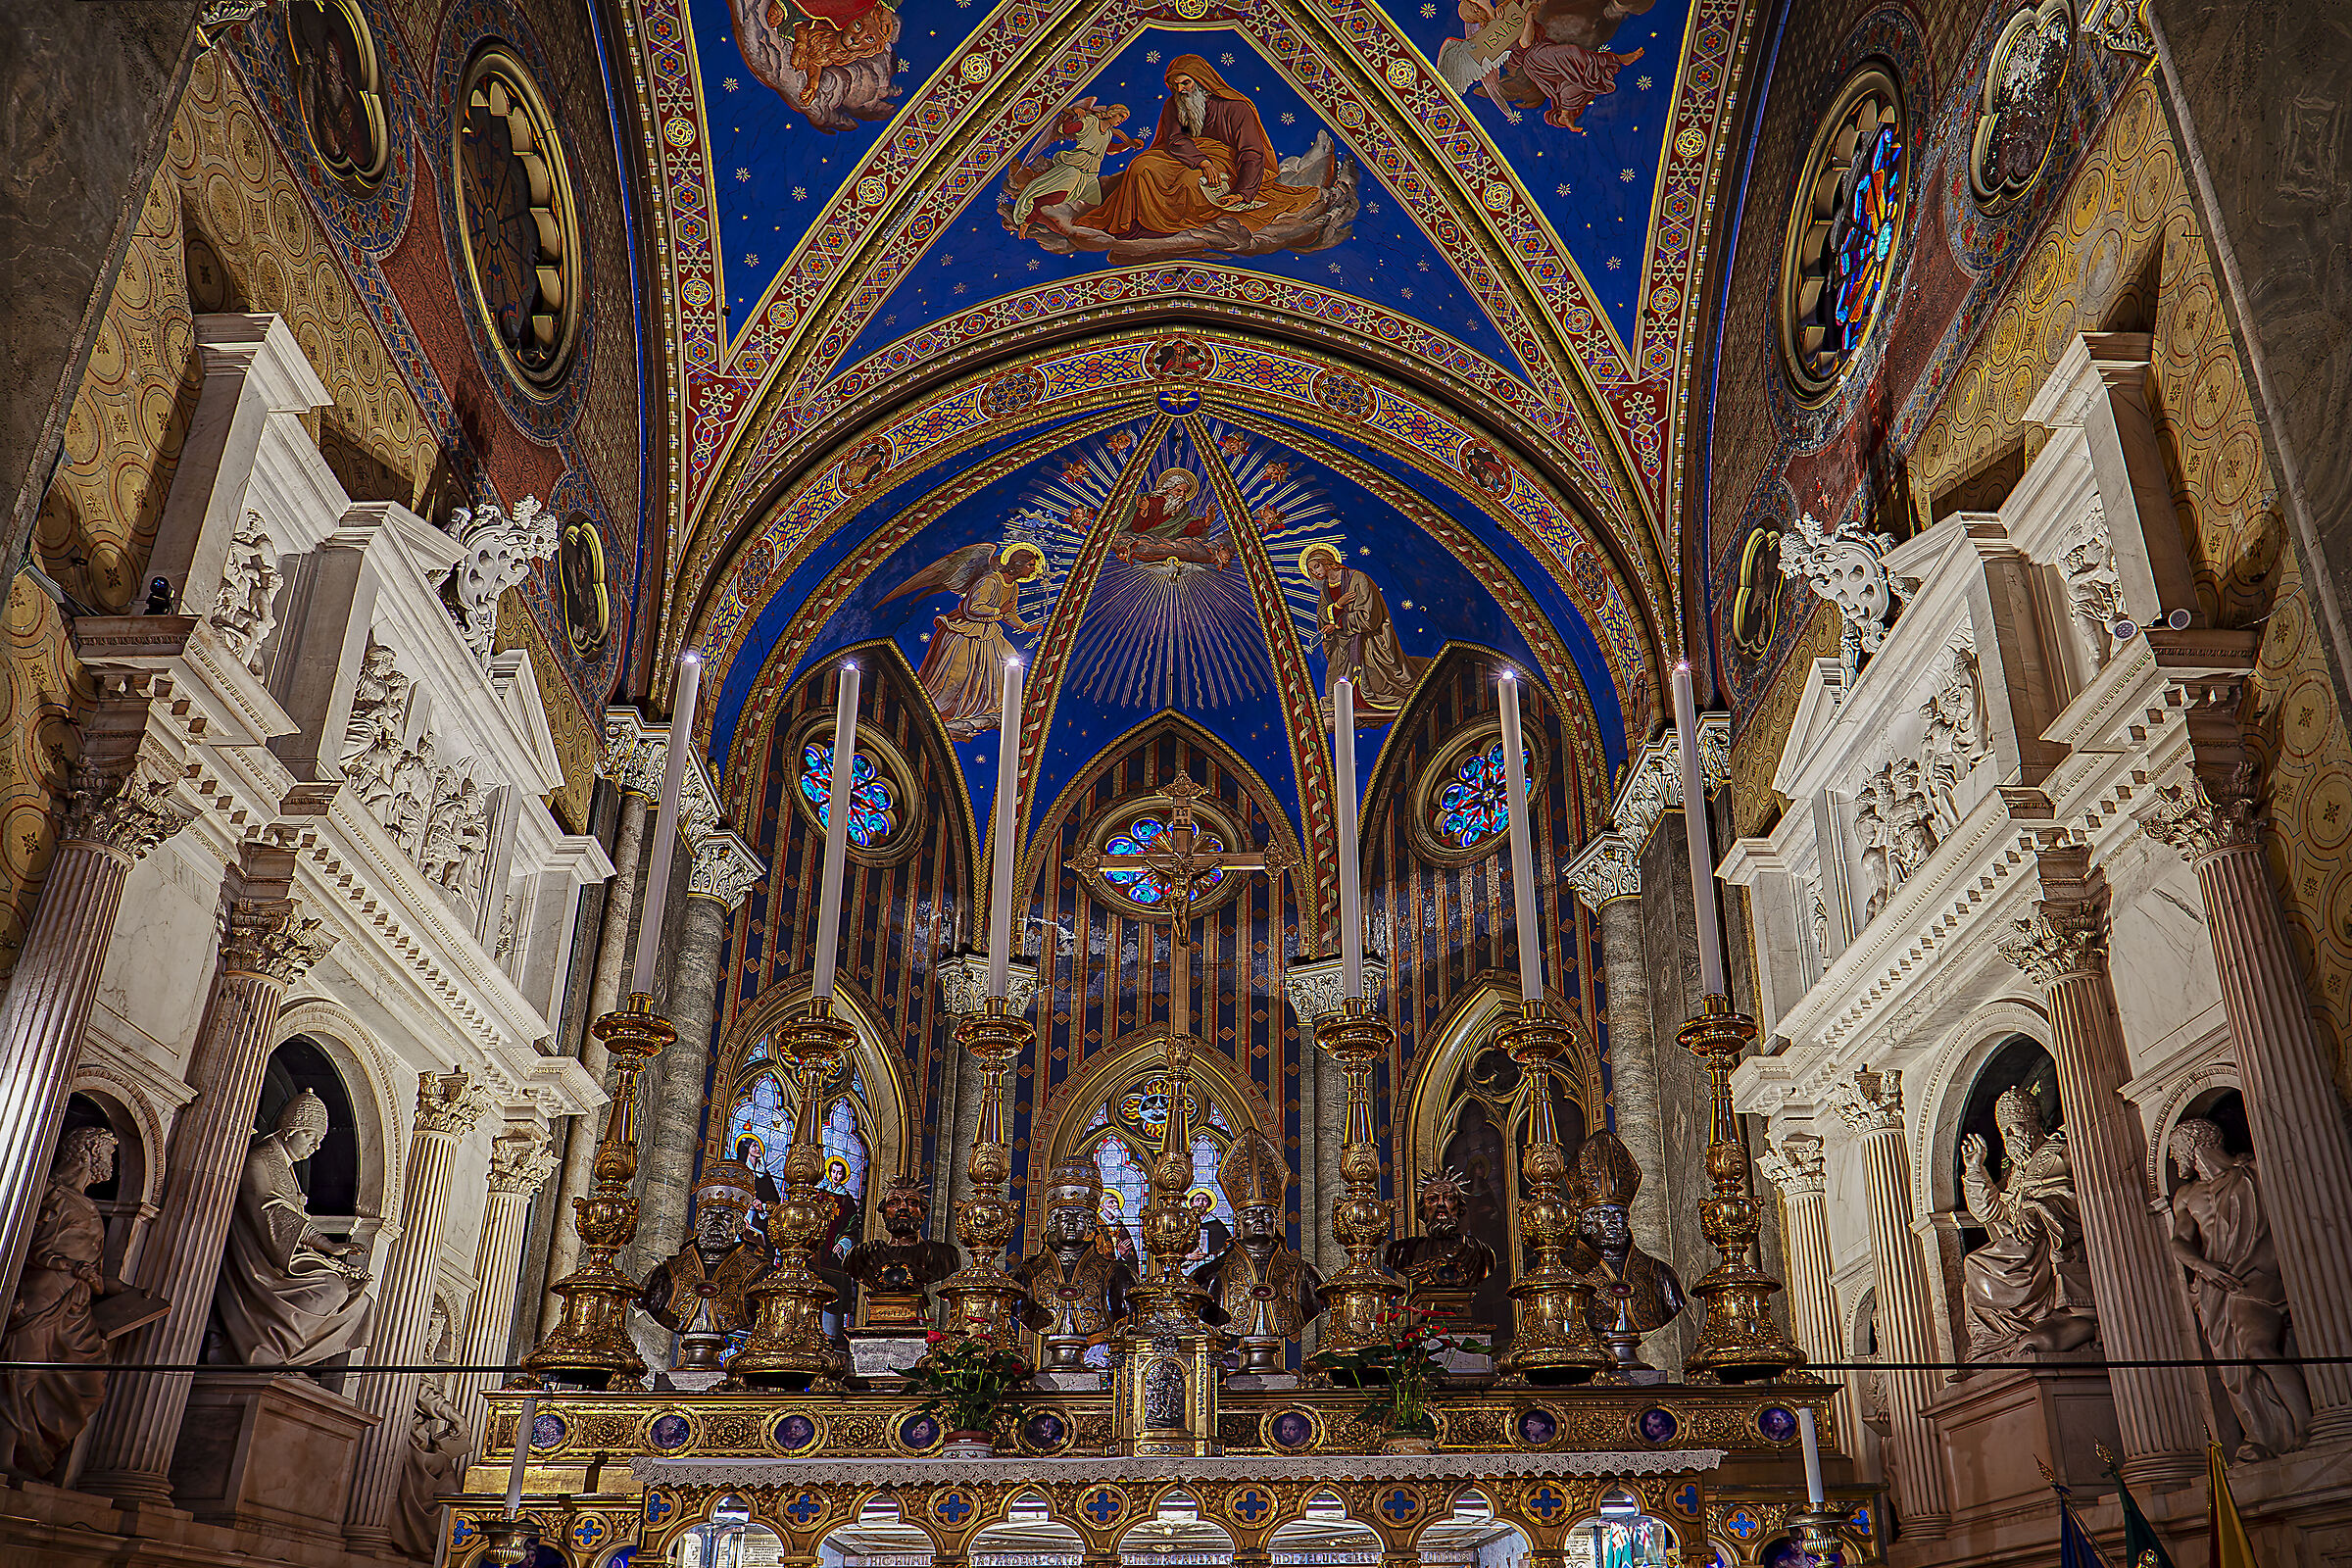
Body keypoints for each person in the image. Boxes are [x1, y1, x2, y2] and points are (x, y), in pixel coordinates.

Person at [2163, 1118, 2310, 1457]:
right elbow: (2179, 1241)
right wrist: (2202, 1266)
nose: (2173, 1157)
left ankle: (2306, 1425)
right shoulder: (2186, 1195)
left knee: (2257, 1348)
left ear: (2194, 1142)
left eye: (2176, 1148)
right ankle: (2262, 1436)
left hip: (2256, 1274)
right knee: (2235, 1369)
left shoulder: (2253, 1171)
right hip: (2214, 1286)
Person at [1083, 57, 1324, 240]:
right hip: (1185, 154)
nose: (1180, 89)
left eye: (1185, 83)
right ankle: (1140, 223)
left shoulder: (1236, 107)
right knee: (1140, 166)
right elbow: (1174, 139)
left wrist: (1243, 193)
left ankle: (1179, 227)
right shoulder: (1174, 105)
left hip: (1226, 160)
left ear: (1201, 81)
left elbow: (1251, 152)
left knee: (1191, 181)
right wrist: (1202, 161)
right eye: (1175, 85)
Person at [216, 1090, 374, 1365]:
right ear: (289, 1130)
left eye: (320, 1139)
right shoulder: (259, 1159)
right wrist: (327, 1246)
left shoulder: (285, 1168)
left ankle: (285, 1359)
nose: (316, 1146)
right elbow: (271, 1214)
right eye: (310, 1135)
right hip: (259, 1264)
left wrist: (337, 1265)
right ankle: (267, 1351)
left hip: (283, 1258)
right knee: (332, 1291)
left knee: (360, 1300)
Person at [0, 1129, 122, 1480]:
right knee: (20, 1375)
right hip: (43, 1295)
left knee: (90, 1384)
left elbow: (91, 1263)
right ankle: (5, 1458)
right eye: (107, 1153)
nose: (110, 1162)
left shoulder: (84, 1203)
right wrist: (70, 1266)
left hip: (75, 1305)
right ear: (90, 1151)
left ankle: (30, 1453)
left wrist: (114, 1286)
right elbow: (27, 1245)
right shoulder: (51, 1193)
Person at [1959, 1085, 2097, 1361]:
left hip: (2050, 1239)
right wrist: (1975, 1170)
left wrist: (2035, 1210)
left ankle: (2002, 1337)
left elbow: (2079, 1197)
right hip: (2025, 1242)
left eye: (2016, 1128)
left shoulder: (2059, 1153)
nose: (2010, 1138)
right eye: (2005, 1133)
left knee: (1977, 1264)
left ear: (2034, 1125)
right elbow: (1990, 1212)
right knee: (1970, 1283)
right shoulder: (2016, 1171)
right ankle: (1992, 1342)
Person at [880, 541, 1047, 738]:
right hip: (965, 633)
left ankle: (988, 710)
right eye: (1031, 565)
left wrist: (1025, 627)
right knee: (956, 677)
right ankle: (937, 714)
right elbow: (972, 608)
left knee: (1009, 663)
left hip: (988, 633)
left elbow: (1008, 613)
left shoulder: (1013, 588)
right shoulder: (990, 581)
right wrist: (997, 612)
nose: (1034, 569)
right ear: (1017, 564)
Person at [1190, 1132, 1319, 1374]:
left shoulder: (1305, 1274)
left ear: (1276, 1220)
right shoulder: (1208, 1276)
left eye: (1266, 1213)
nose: (1259, 1219)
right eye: (1251, 1213)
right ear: (1238, 1222)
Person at [639, 1160, 772, 1371]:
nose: (715, 1222)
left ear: (739, 1225)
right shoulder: (664, 1274)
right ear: (700, 1221)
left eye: (726, 1217)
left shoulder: (761, 1275)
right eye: (710, 1215)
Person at [1565, 1132, 1684, 1352]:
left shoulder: (1660, 1274)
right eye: (1603, 1214)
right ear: (1587, 1222)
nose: (1613, 1221)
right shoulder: (1570, 1276)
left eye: (1619, 1214)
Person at [1013, 1160, 1135, 1372]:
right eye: (1065, 1216)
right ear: (1053, 1223)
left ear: (1091, 1224)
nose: (1071, 1223)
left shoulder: (1118, 1274)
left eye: (1079, 1217)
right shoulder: (1026, 1274)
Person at [1302, 542, 1423, 713]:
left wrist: (1338, 624)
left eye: (1316, 566)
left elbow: (1369, 617)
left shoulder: (1358, 579)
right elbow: (1323, 615)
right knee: (1335, 677)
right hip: (1342, 641)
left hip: (1368, 639)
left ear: (1327, 561)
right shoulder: (1326, 590)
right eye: (1311, 570)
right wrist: (1337, 606)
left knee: (1375, 676)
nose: (1315, 572)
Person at [842, 1174, 960, 1323]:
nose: (903, 1208)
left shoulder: (943, 1255)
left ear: (923, 1214)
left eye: (912, 1203)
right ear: (884, 1214)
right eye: (893, 1203)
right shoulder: (862, 1255)